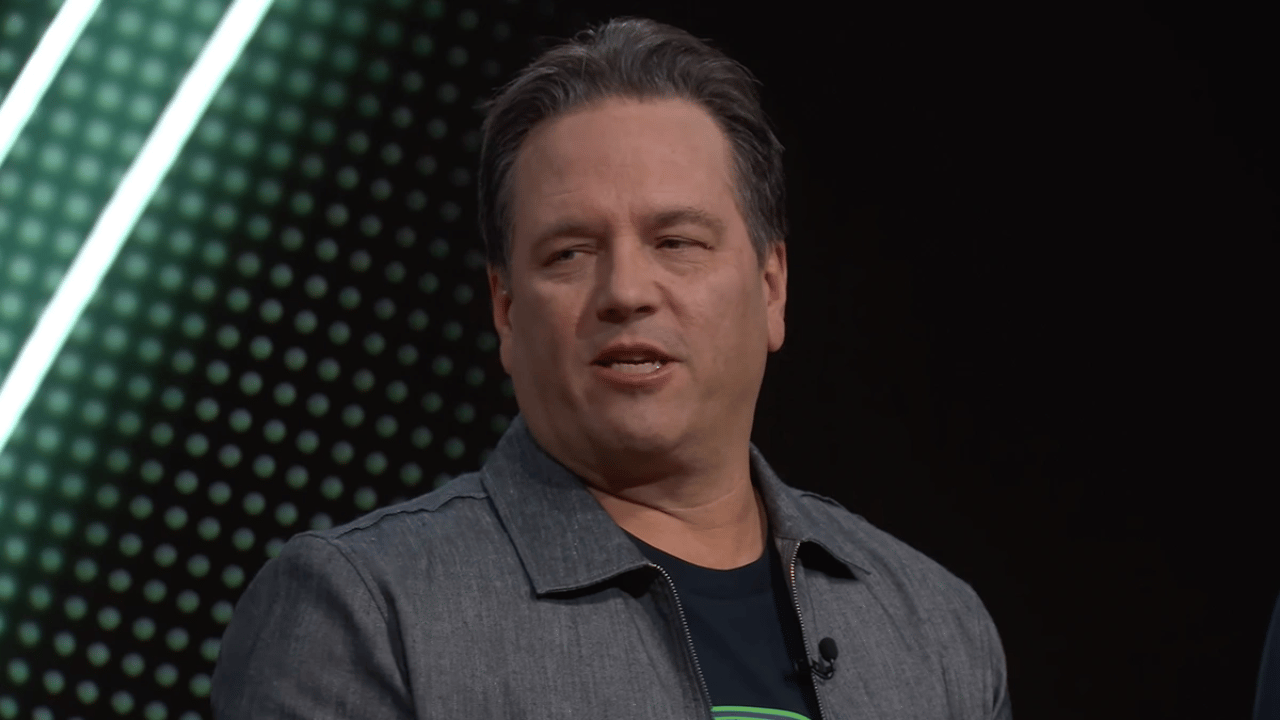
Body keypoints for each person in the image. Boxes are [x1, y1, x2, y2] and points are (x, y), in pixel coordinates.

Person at [211, 16, 1013, 719]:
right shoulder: (363, 614)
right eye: (570, 253)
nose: (626, 291)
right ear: (506, 310)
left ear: (771, 288)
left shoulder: (936, 626)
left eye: (676, 242)